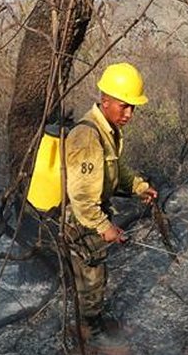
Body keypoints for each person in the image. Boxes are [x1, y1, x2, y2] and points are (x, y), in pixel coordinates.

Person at [63, 62, 158, 335]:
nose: (129, 113)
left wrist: (139, 186)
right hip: (82, 220)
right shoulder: (87, 135)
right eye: (123, 105)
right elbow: (81, 197)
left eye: (133, 107)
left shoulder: (107, 130)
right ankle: (87, 333)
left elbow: (114, 170)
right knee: (91, 278)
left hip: (91, 215)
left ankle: (89, 323)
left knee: (94, 273)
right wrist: (104, 227)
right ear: (105, 100)